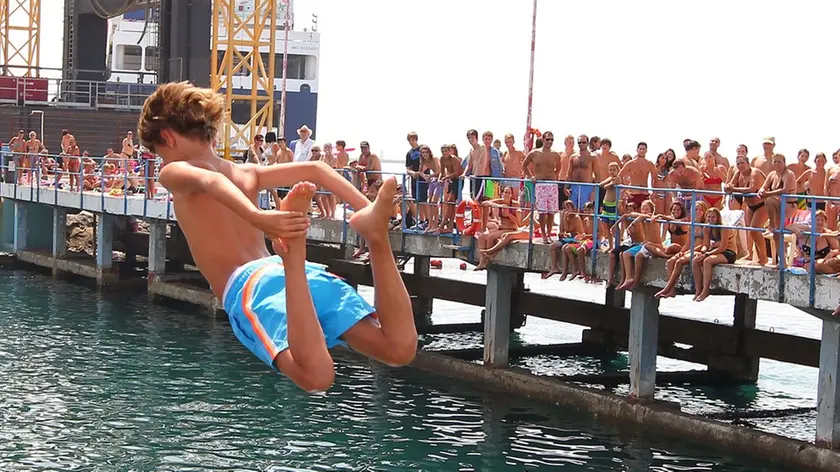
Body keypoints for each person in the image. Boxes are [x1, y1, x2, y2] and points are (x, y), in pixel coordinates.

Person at [138, 82, 416, 392]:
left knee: (316, 377)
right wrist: (366, 207)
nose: (160, 159)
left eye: (157, 151)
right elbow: (317, 168)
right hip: (296, 275)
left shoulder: (173, 171)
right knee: (398, 349)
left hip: (252, 287)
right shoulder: (247, 173)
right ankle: (374, 235)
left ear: (166, 137)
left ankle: (293, 255)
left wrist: (258, 217)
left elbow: (208, 179)